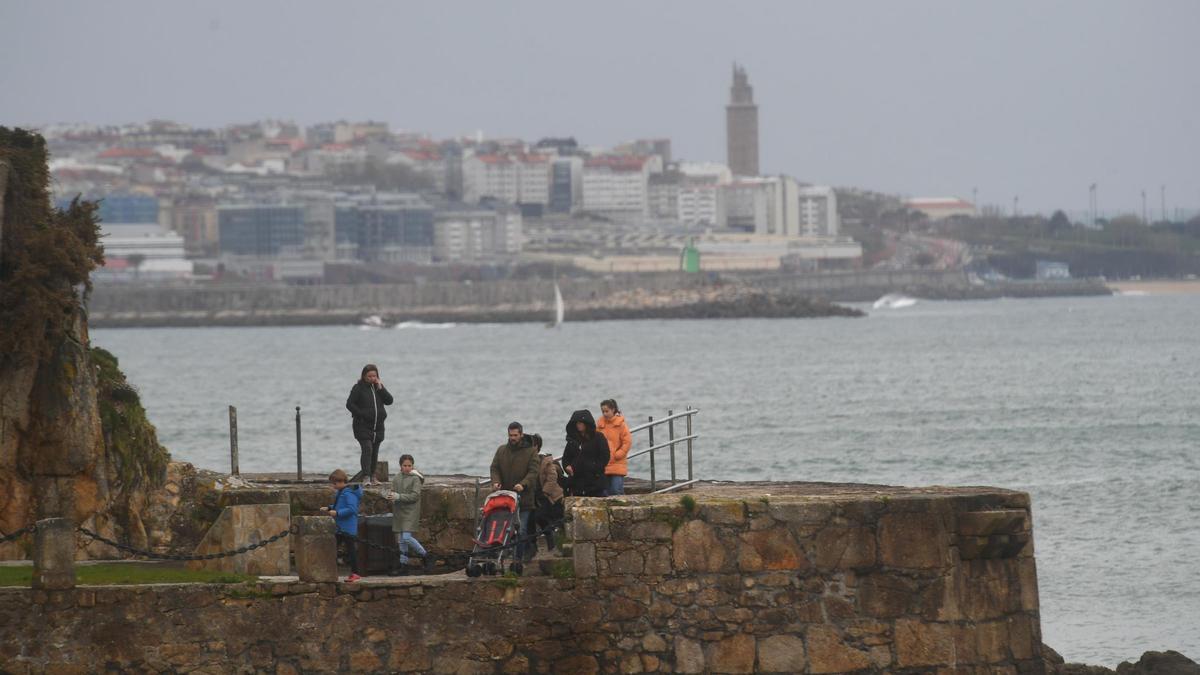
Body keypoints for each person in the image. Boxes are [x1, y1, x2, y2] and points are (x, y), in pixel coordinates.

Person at [489, 421, 540, 562]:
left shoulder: (531, 452)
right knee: (503, 529)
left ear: (521, 434)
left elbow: (534, 472)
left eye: (515, 435)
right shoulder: (501, 450)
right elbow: (494, 468)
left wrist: (523, 484)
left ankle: (518, 559)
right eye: (510, 435)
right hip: (505, 499)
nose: (513, 438)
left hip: (524, 499)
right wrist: (496, 481)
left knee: (521, 530)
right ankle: (503, 556)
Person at [345, 364, 393, 484]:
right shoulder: (358, 388)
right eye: (369, 376)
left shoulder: (378, 388)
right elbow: (349, 404)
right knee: (367, 449)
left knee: (375, 451)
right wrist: (361, 414)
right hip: (362, 426)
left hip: (378, 427)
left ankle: (373, 476)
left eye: (374, 376)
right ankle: (366, 476)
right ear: (364, 376)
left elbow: (389, 401)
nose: (372, 378)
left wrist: (381, 388)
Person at [321, 468, 363, 582]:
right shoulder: (342, 492)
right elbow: (339, 504)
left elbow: (352, 509)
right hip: (340, 527)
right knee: (333, 548)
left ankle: (355, 573)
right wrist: (330, 507)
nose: (333, 486)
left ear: (340, 482)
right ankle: (328, 571)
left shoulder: (349, 493)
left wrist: (337, 513)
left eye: (334, 484)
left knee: (351, 551)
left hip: (347, 528)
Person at [390, 453, 427, 575]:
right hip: (399, 511)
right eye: (404, 465)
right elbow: (393, 493)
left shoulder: (416, 479)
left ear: (412, 466)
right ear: (400, 466)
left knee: (406, 537)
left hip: (411, 511)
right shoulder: (396, 478)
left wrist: (398, 496)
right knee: (401, 540)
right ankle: (403, 565)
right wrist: (390, 496)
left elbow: (415, 496)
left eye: (409, 465)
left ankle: (425, 555)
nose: (407, 467)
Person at [561, 410, 609, 498]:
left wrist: (595, 469)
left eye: (580, 423)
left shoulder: (598, 438)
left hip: (595, 483)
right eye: (576, 423)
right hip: (576, 483)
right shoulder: (572, 440)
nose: (578, 425)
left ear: (587, 423)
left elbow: (605, 457)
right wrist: (567, 467)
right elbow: (565, 458)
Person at [531, 434, 565, 552]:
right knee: (540, 518)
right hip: (539, 497)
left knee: (553, 519)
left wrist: (545, 492)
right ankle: (552, 543)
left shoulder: (545, 461)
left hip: (552, 496)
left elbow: (552, 478)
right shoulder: (530, 461)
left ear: (536, 446)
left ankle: (556, 544)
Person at [597, 399, 632, 496]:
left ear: (613, 410)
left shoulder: (621, 424)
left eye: (607, 411)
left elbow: (627, 441)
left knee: (616, 490)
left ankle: (624, 508)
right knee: (605, 492)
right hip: (604, 464)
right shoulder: (600, 425)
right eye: (603, 411)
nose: (604, 413)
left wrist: (619, 454)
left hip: (617, 462)